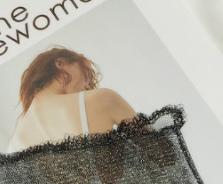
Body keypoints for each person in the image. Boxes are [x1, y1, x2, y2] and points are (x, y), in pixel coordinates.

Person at [8, 46, 137, 152]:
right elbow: (149, 151)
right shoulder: (102, 99)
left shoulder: (14, 146)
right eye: (85, 76)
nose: (86, 88)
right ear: (60, 64)